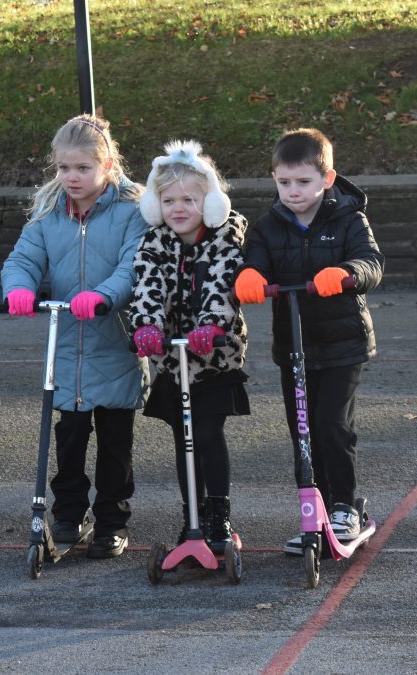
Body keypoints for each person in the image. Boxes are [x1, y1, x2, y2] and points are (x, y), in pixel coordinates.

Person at [1, 114, 150, 559]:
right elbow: (22, 259)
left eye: (82, 168)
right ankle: (67, 513)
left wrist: (105, 295)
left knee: (114, 443)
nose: (71, 177)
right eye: (64, 168)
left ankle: (111, 520)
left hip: (112, 343)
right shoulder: (49, 214)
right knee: (68, 438)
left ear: (107, 166)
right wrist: (20, 289)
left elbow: (133, 265)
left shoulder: (132, 211)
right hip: (66, 348)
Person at [234, 128, 384, 555]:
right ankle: (313, 510)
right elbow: (255, 260)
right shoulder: (268, 226)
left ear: (327, 179)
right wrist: (249, 276)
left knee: (332, 426)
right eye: (284, 182)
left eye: (303, 182)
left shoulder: (348, 219)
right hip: (294, 347)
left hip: (342, 345)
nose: (293, 192)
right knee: (303, 432)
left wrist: (348, 273)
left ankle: (345, 505)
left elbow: (372, 262)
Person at [130, 140, 250, 552]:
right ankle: (192, 517)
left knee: (207, 431)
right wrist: (146, 325)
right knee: (184, 439)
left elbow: (222, 284)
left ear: (210, 201)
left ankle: (218, 515)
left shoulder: (224, 238)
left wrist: (212, 325)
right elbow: (147, 285)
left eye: (189, 199)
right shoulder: (154, 242)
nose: (178, 208)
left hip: (215, 358)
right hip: (172, 358)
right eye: (168, 200)